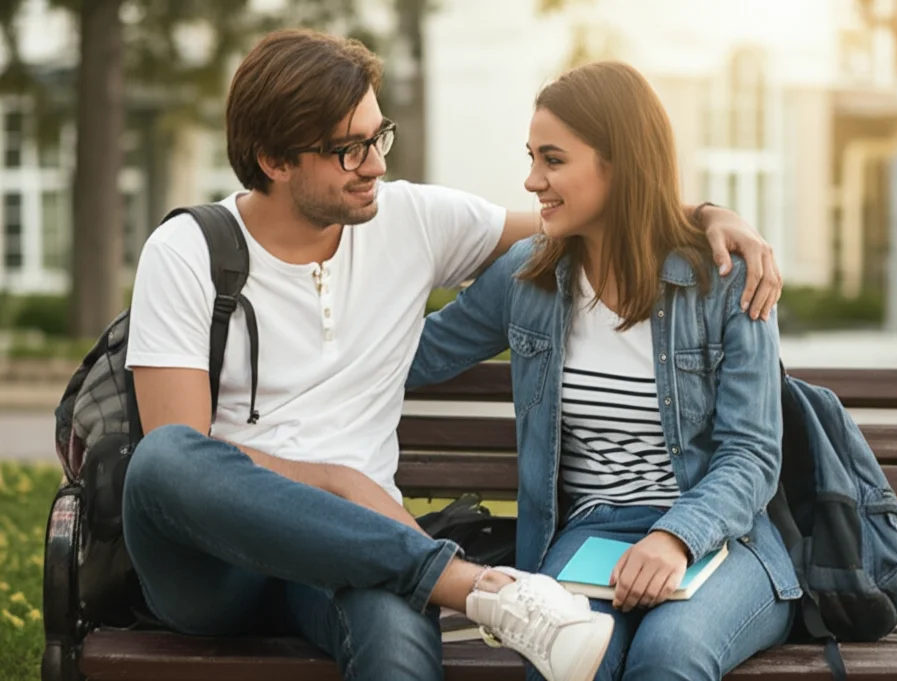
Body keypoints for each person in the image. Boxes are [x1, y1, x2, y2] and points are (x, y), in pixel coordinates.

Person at [122, 28, 783, 681]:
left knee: (398, 644)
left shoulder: (409, 222)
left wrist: (711, 215)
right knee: (163, 458)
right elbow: (182, 457)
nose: (377, 165)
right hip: (222, 566)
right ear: (273, 159)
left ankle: (457, 581)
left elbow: (606, 214)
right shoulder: (188, 252)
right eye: (350, 150)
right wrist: (339, 481)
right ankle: (471, 585)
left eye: (379, 137)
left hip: (368, 547)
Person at [407, 60, 801, 681]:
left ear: (617, 164)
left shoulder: (725, 279)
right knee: (564, 657)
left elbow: (751, 455)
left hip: (722, 540)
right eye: (532, 157)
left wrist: (674, 537)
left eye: (554, 160)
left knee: (669, 656)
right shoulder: (527, 277)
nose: (533, 180)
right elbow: (411, 357)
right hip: (592, 533)